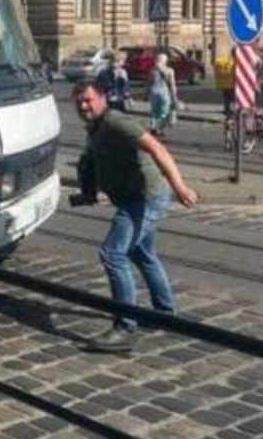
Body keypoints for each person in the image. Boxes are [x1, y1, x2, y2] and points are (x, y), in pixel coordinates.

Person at [73, 80, 197, 353]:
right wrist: (88, 192)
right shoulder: (95, 128)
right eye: (79, 102)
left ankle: (126, 327)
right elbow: (94, 162)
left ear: (102, 98)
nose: (83, 106)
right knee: (143, 255)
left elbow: (158, 149)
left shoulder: (116, 122)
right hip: (131, 199)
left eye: (88, 100)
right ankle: (165, 313)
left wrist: (180, 187)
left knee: (113, 254)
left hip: (145, 200)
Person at [147, 53, 177, 136]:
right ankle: (159, 129)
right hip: (164, 93)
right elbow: (172, 85)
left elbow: (149, 83)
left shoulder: (152, 70)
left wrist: (146, 94)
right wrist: (174, 96)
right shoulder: (169, 71)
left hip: (153, 92)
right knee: (164, 112)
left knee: (154, 111)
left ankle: (153, 127)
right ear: (165, 61)